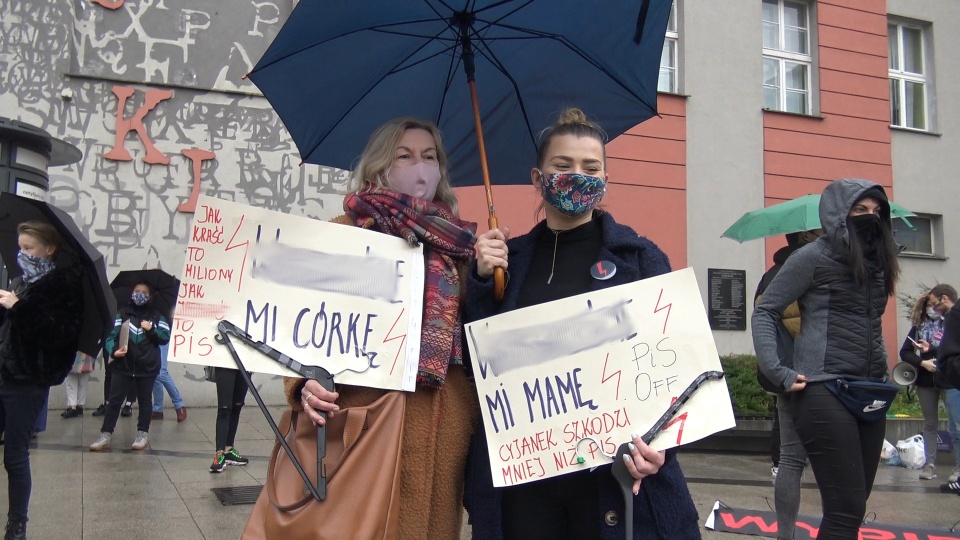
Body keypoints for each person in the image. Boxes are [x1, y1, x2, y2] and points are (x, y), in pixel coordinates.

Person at [466, 108, 701, 539]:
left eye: (591, 168)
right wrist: (481, 281)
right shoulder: (507, 264)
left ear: (605, 180)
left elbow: (675, 369)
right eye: (563, 165)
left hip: (611, 482)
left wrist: (662, 447)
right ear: (538, 179)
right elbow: (475, 366)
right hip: (526, 486)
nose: (578, 175)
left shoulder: (641, 260)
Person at [274, 117, 479, 538]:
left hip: (442, 427)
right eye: (404, 156)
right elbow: (301, 327)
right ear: (380, 165)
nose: (419, 167)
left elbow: (476, 335)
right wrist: (301, 384)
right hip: (360, 423)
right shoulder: (342, 233)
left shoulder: (459, 245)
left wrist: (490, 273)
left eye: (429, 156)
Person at [753, 178, 901, 539]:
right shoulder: (812, 256)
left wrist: (884, 376)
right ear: (839, 213)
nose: (870, 217)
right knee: (844, 510)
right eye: (860, 210)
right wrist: (778, 371)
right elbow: (765, 311)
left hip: (868, 390)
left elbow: (872, 322)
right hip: (822, 388)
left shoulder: (878, 262)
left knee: (854, 510)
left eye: (877, 211)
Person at [0, 220, 82, 539]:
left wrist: (19, 307)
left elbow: (58, 334)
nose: (22, 253)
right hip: (3, 373)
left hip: (28, 380)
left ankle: (17, 523)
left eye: (28, 248)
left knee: (15, 454)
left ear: (49, 249)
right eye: (20, 247)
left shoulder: (64, 285)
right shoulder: (22, 282)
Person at [755, 228, 822, 540]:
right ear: (807, 238)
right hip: (810, 373)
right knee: (824, 459)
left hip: (785, 374)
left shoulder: (769, 275)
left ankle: (786, 534)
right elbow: (805, 324)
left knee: (789, 458)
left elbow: (763, 317)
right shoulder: (809, 269)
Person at [89, 282, 170, 452]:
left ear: (150, 296)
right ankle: (105, 435)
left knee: (145, 401)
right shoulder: (122, 313)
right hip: (122, 366)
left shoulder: (157, 316)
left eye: (144, 292)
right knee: (114, 401)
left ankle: (142, 434)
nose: (139, 294)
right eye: (137, 291)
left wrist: (151, 329)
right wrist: (113, 351)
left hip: (147, 368)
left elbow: (164, 337)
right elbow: (110, 336)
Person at [899, 288, 953, 480]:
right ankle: (929, 464)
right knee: (930, 423)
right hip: (925, 380)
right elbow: (904, 352)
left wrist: (935, 354)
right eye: (929, 306)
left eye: (935, 305)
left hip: (948, 378)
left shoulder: (951, 323)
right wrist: (922, 362)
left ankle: (958, 468)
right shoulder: (918, 326)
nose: (933, 309)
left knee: (955, 423)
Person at [208, 367, 250, 473]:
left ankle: (228, 449)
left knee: (237, 406)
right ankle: (219, 453)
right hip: (225, 364)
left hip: (245, 363)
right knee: (224, 408)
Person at [152, 343, 187, 421]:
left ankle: (179, 405)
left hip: (163, 335)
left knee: (161, 372)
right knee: (155, 373)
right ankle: (157, 408)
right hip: (149, 335)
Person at [62, 351, 96, 418]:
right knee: (83, 381)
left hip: (74, 349)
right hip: (87, 350)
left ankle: (73, 406)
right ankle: (79, 406)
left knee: (71, 380)